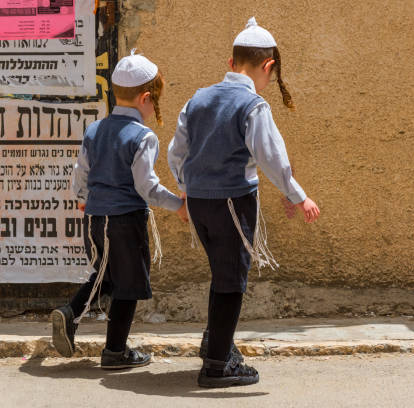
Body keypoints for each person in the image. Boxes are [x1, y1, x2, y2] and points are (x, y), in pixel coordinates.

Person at [168, 17, 320, 388]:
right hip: (232, 202)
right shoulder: (253, 105)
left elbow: (176, 153)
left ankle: (215, 346)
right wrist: (298, 196)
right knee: (233, 280)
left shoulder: (197, 99)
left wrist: (186, 188)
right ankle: (218, 366)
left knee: (221, 275)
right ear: (268, 66)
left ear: (232, 61)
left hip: (201, 202)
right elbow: (271, 157)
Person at [51, 50, 188, 369]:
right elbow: (146, 187)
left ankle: (70, 314)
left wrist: (83, 198)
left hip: (95, 220)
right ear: (144, 98)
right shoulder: (144, 136)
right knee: (126, 285)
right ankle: (114, 351)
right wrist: (178, 205)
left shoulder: (94, 130)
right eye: (156, 101)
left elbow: (79, 173)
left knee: (106, 277)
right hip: (125, 222)